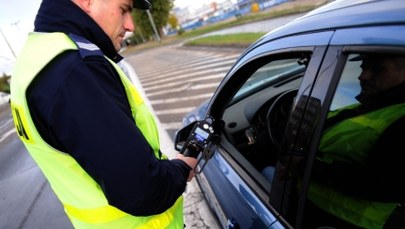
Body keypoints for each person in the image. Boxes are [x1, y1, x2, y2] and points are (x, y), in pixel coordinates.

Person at [10, 0, 198, 228]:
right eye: (124, 9)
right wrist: (181, 168)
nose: (131, 26)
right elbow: (141, 190)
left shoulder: (34, 59)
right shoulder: (74, 69)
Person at [302, 54, 405, 228]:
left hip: (348, 221)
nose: (362, 76)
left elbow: (382, 184)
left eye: (377, 69)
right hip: (314, 205)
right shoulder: (372, 104)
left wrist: (305, 166)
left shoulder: (399, 120)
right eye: (363, 67)